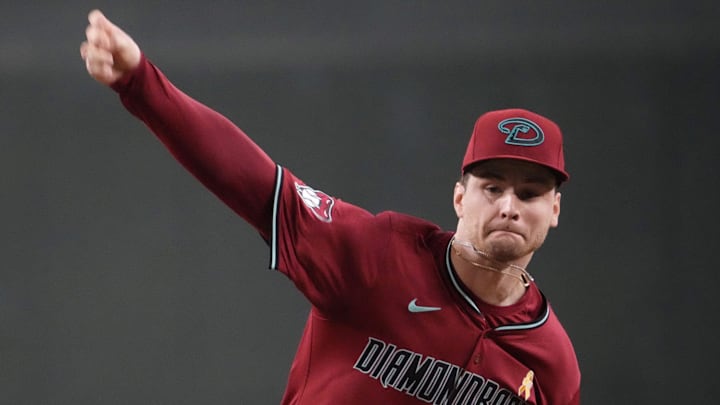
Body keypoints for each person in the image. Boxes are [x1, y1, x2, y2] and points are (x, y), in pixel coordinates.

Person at [80, 9, 580, 405]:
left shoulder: (552, 363)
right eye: (492, 187)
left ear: (554, 209)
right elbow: (254, 183)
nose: (509, 206)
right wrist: (140, 83)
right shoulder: (380, 256)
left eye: (530, 193)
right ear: (459, 197)